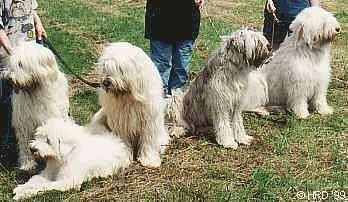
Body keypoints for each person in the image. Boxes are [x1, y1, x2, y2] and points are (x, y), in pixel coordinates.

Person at [0, 0, 47, 166]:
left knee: (31, 100)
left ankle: (37, 141)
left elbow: (30, 10)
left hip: (28, 56)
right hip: (7, 58)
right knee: (7, 101)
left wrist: (38, 23)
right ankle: (8, 145)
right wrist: (13, 55)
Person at [145, 0, 203, 96]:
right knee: (160, 67)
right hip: (160, 21)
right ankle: (159, 100)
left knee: (181, 68)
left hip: (187, 22)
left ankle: (174, 101)